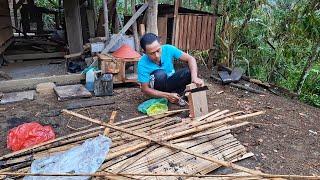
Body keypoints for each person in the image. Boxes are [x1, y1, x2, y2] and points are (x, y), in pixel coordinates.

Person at [137, 33, 204, 104]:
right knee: (160, 74)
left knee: (188, 72)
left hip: (170, 83)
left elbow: (190, 59)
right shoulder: (142, 64)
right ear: (145, 52)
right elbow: (145, 89)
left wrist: (194, 78)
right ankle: (167, 97)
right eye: (151, 53)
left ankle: (179, 96)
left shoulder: (168, 48)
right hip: (158, 90)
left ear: (160, 44)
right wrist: (167, 95)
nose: (156, 55)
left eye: (158, 50)